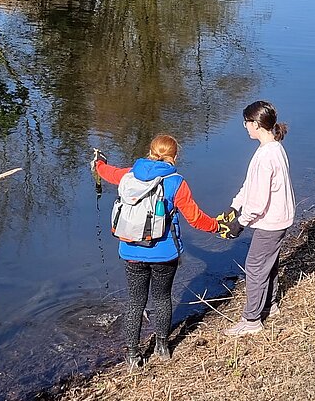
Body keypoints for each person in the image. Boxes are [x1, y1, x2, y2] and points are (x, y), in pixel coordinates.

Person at [92, 134, 221, 370]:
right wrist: (217, 226)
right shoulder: (175, 181)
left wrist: (98, 164)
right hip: (164, 253)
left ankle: (132, 355)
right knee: (162, 298)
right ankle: (162, 346)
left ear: (150, 151)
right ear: (175, 156)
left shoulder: (130, 174)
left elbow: (108, 173)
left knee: (135, 302)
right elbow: (195, 219)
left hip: (131, 250)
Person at [220, 101, 295, 337]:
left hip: (270, 222)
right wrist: (234, 206)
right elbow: (250, 185)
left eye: (246, 123)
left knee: (254, 268)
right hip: (280, 218)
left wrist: (240, 223)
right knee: (268, 264)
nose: (245, 127)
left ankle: (252, 320)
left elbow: (259, 201)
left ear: (256, 124)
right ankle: (269, 305)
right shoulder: (273, 148)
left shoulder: (266, 156)